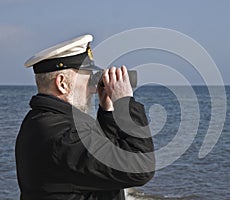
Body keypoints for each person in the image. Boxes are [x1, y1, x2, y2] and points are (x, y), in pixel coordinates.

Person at [15, 34, 155, 200]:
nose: (92, 88)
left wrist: (108, 111)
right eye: (88, 77)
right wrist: (125, 105)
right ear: (62, 84)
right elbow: (140, 168)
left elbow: (105, 157)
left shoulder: (46, 122)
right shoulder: (62, 137)